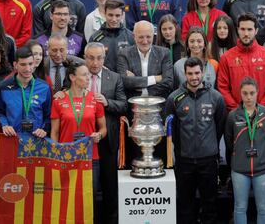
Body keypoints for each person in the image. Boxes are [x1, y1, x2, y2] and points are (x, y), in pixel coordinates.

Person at [165, 57, 226, 224]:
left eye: (197, 73)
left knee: (210, 205)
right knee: (185, 205)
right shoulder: (174, 98)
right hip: (184, 161)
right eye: (190, 73)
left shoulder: (216, 98)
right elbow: (171, 130)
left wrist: (209, 145)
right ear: (184, 74)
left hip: (209, 160)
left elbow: (219, 126)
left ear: (203, 73)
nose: (194, 77)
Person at [50, 61, 106, 223]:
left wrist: (99, 135)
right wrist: (56, 153)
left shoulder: (94, 99)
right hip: (66, 157)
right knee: (66, 195)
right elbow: (54, 132)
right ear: (72, 77)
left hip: (90, 157)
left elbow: (103, 128)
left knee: (90, 197)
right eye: (84, 75)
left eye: (89, 75)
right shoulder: (59, 100)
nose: (89, 78)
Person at [84, 42, 127, 224]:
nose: (95, 62)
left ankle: (112, 219)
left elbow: (124, 105)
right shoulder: (78, 76)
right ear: (85, 58)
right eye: (91, 58)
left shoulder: (115, 77)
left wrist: (107, 102)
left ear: (104, 58)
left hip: (107, 140)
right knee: (87, 187)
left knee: (110, 186)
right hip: (83, 140)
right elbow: (65, 94)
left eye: (99, 58)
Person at [225, 77, 265, 224]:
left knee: (263, 208)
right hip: (240, 170)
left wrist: (263, 154)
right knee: (240, 207)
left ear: (257, 93)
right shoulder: (232, 116)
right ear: (240, 94)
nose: (248, 97)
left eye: (252, 93)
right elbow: (229, 142)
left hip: (263, 169)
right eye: (245, 93)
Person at [217, 13, 265, 111]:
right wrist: (237, 110)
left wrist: (260, 110)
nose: (246, 33)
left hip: (262, 114)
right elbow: (223, 87)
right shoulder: (226, 58)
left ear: (256, 31)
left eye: (249, 29)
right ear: (237, 30)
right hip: (236, 115)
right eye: (243, 29)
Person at [0, 47, 51, 138]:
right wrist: (5, 125)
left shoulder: (44, 87)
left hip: (36, 140)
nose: (28, 69)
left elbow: (48, 116)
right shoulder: (4, 87)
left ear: (34, 64)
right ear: (15, 65)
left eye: (30, 64)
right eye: (23, 64)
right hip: (12, 138)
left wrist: (44, 129)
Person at [117, 20, 173, 100]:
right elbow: (123, 81)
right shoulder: (124, 54)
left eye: (148, 37)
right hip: (133, 105)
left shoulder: (164, 53)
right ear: (134, 36)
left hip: (158, 104)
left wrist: (138, 83)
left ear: (153, 36)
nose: (145, 41)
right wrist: (154, 79)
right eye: (141, 37)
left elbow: (168, 83)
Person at [89, 0, 134, 71]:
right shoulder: (95, 38)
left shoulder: (131, 37)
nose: (114, 19)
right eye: (110, 15)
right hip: (104, 80)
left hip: (125, 80)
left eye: (117, 15)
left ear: (122, 15)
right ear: (104, 14)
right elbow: (90, 62)